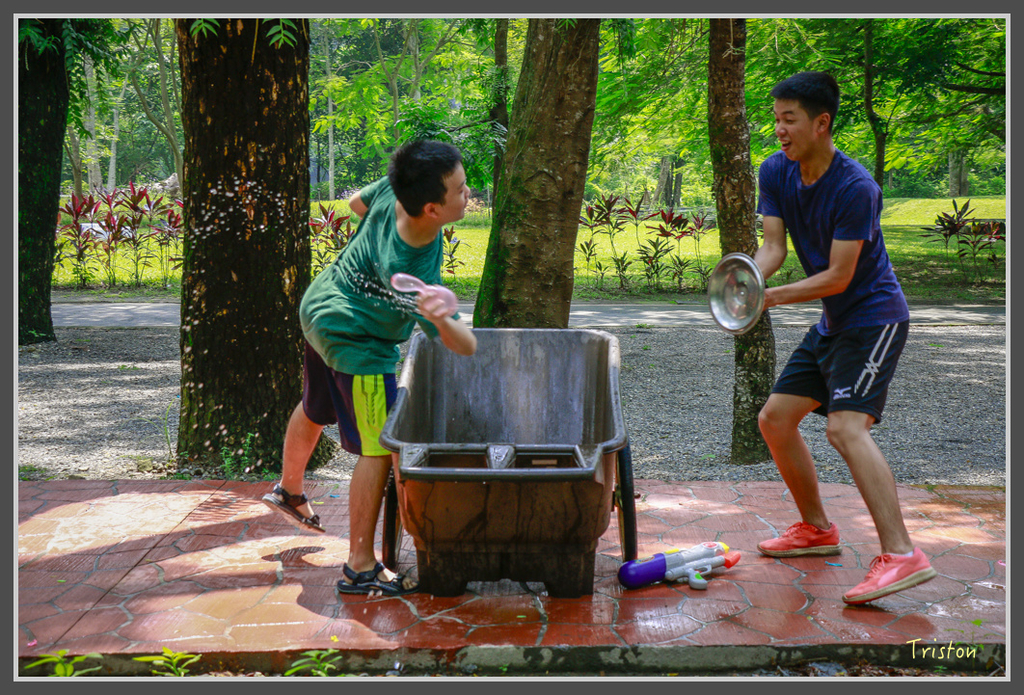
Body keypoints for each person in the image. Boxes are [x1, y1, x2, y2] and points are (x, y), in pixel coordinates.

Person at [262, 140, 478, 596]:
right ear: (431, 209)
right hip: (358, 341)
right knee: (379, 450)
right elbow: (465, 346)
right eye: (459, 189)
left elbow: (354, 202)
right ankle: (359, 564)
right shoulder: (412, 268)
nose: (468, 192)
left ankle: (289, 489)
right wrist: (442, 314)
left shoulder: (393, 190)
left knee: (314, 407)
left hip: (321, 305)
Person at [752, 71, 936, 605]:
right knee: (775, 418)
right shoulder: (776, 171)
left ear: (821, 122)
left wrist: (771, 299)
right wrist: (746, 277)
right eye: (777, 119)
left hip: (873, 319)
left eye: (790, 120)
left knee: (845, 428)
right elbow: (773, 248)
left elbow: (839, 276)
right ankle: (816, 529)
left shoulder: (856, 187)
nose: (780, 130)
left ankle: (902, 554)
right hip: (833, 324)